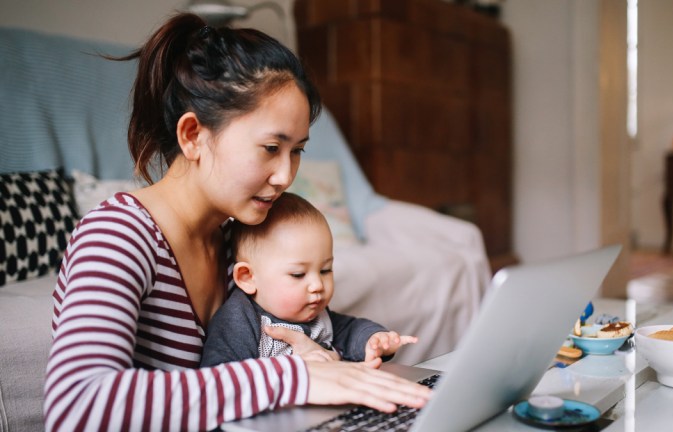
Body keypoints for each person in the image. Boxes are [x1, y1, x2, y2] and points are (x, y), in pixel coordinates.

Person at [43, 13, 430, 431]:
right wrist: (290, 378)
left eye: (297, 150)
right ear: (192, 135)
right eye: (270, 147)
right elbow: (76, 407)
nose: (285, 176)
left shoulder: (239, 243)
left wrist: (316, 360)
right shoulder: (117, 236)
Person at [201, 192, 417, 367]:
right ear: (248, 278)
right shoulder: (239, 320)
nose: (317, 285)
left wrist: (375, 340)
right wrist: (291, 368)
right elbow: (221, 378)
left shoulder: (316, 314)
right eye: (298, 274)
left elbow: (350, 330)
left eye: (325, 270)